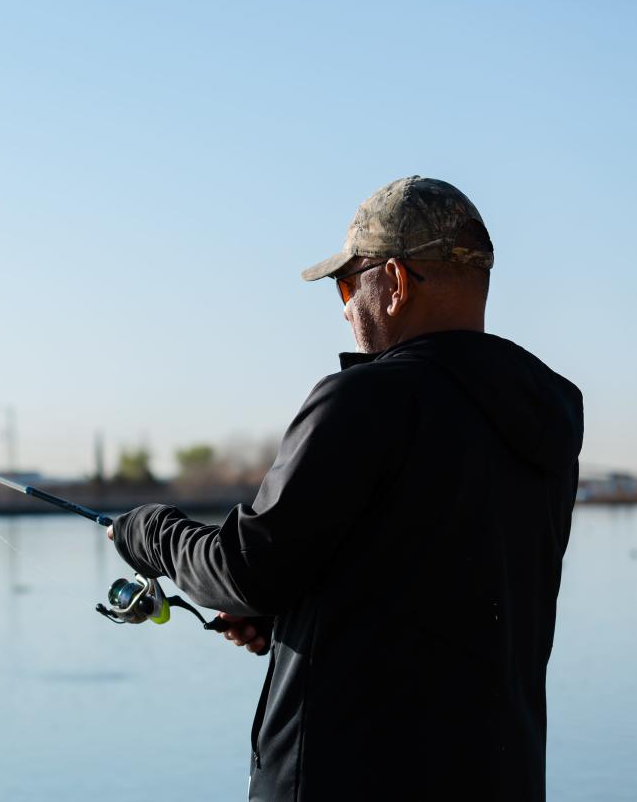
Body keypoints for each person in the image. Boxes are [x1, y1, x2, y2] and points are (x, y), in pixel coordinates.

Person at [107, 176, 583, 801]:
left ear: (396, 282)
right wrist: (296, 611)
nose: (344, 305)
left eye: (347, 283)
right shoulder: (547, 414)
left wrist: (149, 533)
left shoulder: (368, 399)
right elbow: (427, 578)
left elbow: (247, 567)